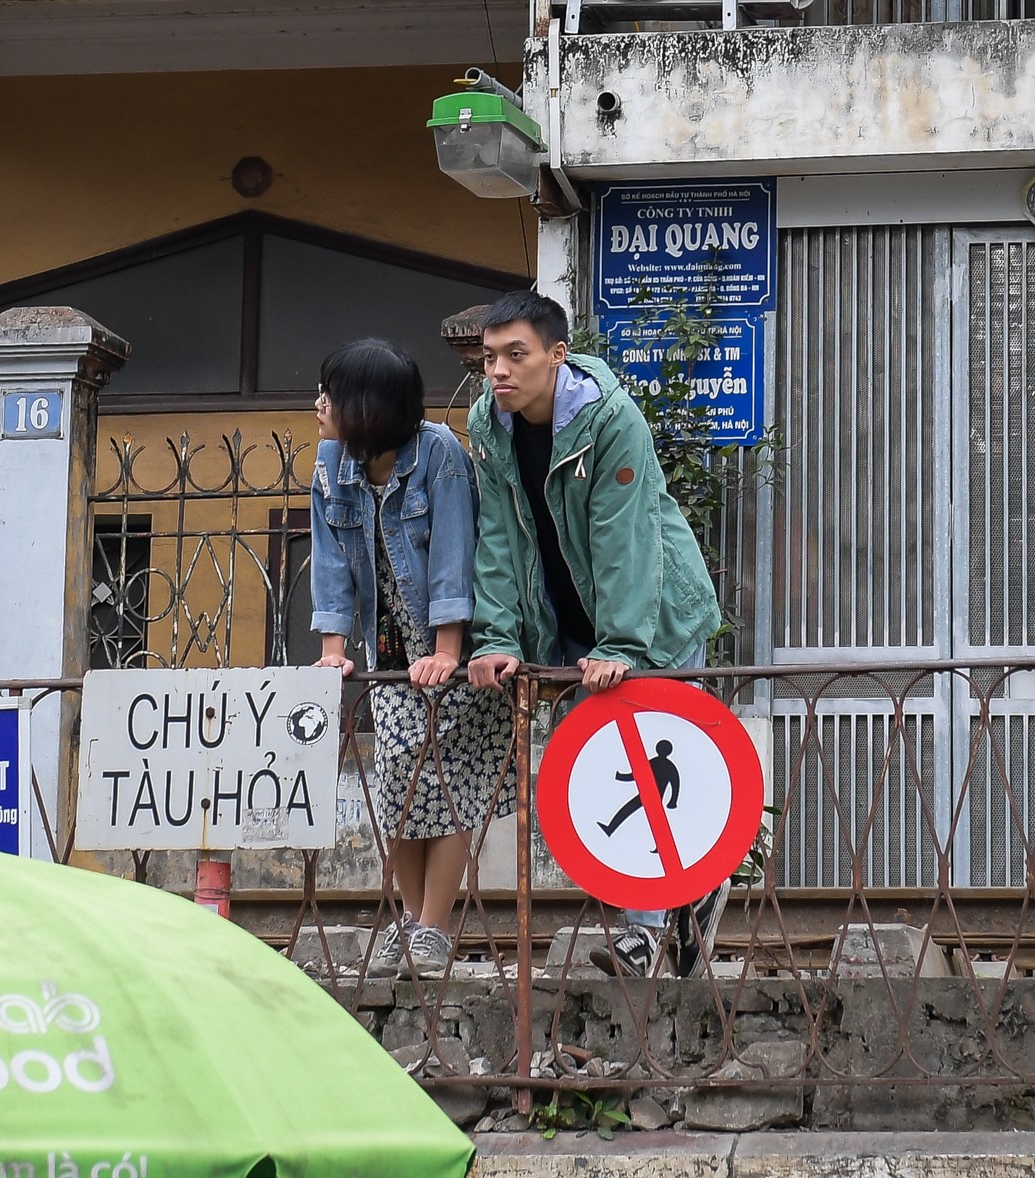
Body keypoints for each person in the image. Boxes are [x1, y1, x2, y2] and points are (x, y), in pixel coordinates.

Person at [464, 289, 730, 979]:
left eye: (516, 355)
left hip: (653, 619)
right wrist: (496, 634)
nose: (499, 370)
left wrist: (623, 646)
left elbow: (627, 535)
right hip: (572, 631)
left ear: (556, 356)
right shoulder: (489, 425)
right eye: (490, 356)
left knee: (654, 768)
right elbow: (497, 534)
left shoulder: (610, 420)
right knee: (604, 777)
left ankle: (644, 933)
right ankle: (688, 896)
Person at [309, 338, 515, 980]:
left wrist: (449, 651)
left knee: (450, 787)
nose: (319, 405)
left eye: (332, 393)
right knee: (398, 780)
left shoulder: (439, 454)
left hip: (455, 648)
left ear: (367, 406)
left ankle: (432, 927)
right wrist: (334, 650)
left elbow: (456, 550)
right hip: (392, 652)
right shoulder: (331, 465)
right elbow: (330, 561)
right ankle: (412, 920)